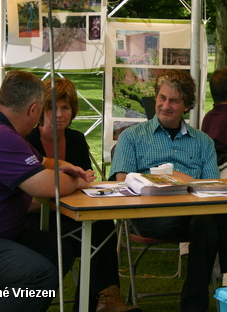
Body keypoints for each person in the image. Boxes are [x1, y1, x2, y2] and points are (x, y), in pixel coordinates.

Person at [110, 70, 227, 312]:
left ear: (186, 106)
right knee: (210, 219)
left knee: (206, 221)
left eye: (174, 101)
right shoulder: (132, 136)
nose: (165, 106)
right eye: (162, 98)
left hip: (195, 214)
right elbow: (122, 181)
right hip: (151, 215)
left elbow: (212, 189)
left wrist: (183, 180)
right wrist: (163, 179)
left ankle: (194, 305)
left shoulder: (203, 141)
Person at [0, 70, 95, 312]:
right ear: (34, 110)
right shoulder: (3, 137)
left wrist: (65, 166)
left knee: (58, 251)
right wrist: (78, 182)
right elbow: (46, 186)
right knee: (39, 275)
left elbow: (42, 161)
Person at [26, 78, 140, 312]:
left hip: (71, 217)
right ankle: (103, 301)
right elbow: (48, 190)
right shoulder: (27, 141)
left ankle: (105, 300)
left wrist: (79, 183)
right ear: (40, 110)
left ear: (73, 110)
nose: (59, 114)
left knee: (102, 225)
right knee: (95, 233)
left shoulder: (76, 139)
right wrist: (73, 185)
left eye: (65, 108)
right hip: (37, 221)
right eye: (52, 108)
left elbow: (82, 184)